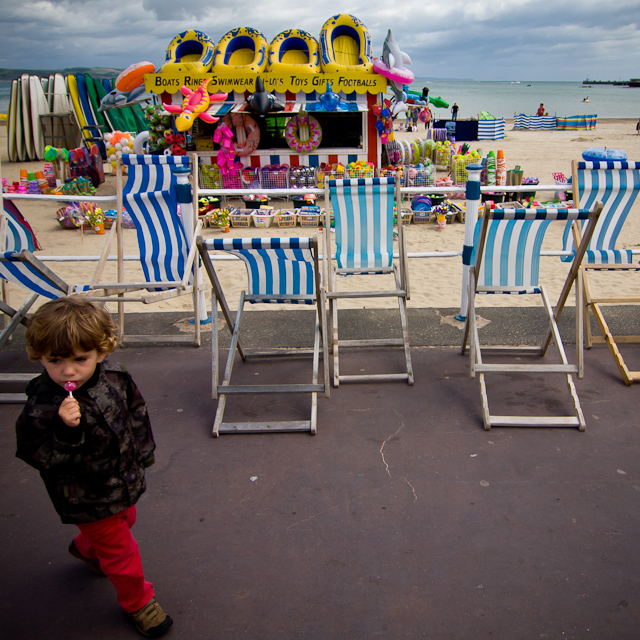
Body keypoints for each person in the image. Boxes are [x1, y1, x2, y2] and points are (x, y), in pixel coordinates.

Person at [15, 298, 173, 638]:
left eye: (79, 360)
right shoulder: (43, 402)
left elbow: (136, 413)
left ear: (101, 353)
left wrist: (143, 453)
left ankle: (85, 548)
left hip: (122, 478)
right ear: (39, 356)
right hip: (84, 495)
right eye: (55, 361)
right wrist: (63, 431)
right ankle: (139, 603)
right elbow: (35, 453)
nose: (68, 371)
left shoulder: (114, 377)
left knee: (127, 519)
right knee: (121, 550)